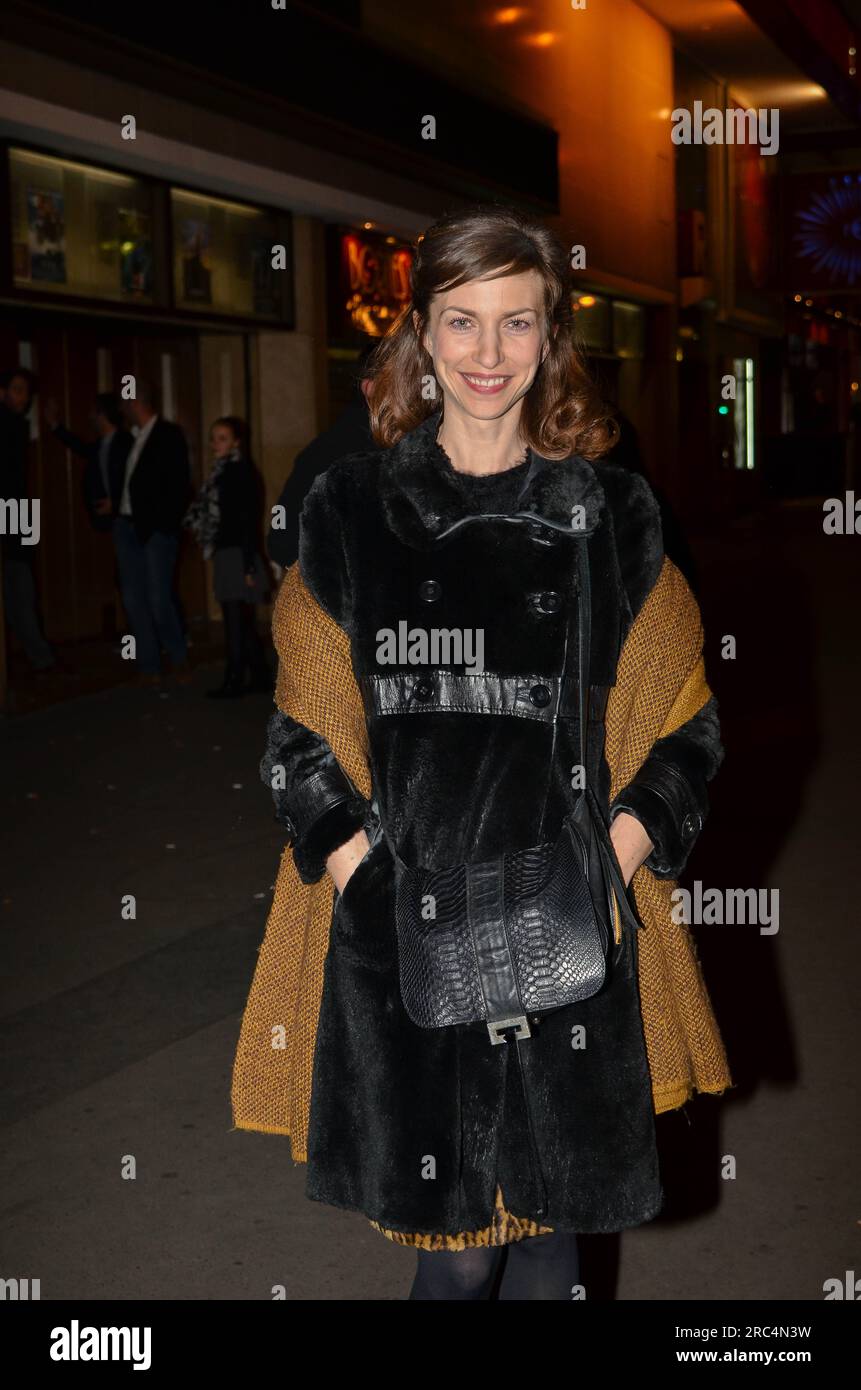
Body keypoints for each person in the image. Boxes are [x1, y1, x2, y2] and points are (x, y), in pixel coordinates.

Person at [231, 204, 732, 1299]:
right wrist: (368, 879)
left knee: (555, 1245)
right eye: (463, 323)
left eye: (519, 324)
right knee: (455, 1269)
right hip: (409, 942)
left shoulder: (614, 516)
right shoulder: (351, 511)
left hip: (569, 941)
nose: (490, 355)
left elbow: (686, 730)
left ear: (552, 336)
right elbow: (297, 741)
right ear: (421, 331)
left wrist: (615, 860)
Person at [266, 339, 377, 571]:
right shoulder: (339, 452)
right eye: (407, 382)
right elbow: (282, 534)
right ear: (370, 389)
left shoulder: (406, 448)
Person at [184, 415, 271, 698]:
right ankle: (258, 674)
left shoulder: (237, 471)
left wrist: (247, 563)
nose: (214, 444)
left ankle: (234, 679)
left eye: (221, 438)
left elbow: (246, 519)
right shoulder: (223, 471)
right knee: (240, 618)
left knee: (234, 618)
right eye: (213, 438)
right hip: (229, 551)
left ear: (235, 441)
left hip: (236, 552)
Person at [116, 381, 191, 684]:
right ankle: (148, 665)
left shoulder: (167, 435)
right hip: (127, 525)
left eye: (125, 402)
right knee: (134, 598)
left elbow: (178, 485)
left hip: (155, 531)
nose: (123, 409)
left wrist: (163, 527)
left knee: (159, 596)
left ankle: (178, 656)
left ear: (136, 402)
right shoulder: (132, 438)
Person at [0, 367, 55, 672]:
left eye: (26, 391)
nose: (24, 397)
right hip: (11, 509)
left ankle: (38, 654)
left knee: (22, 581)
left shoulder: (17, 425)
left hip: (18, 509)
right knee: (19, 582)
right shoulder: (9, 424)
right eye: (17, 389)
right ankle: (39, 655)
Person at [46, 392, 132, 534]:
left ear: (102, 414)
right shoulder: (100, 445)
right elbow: (79, 446)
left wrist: (116, 503)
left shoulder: (126, 443)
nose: (90, 417)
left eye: (93, 412)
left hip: (127, 521)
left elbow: (133, 481)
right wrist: (55, 425)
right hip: (106, 522)